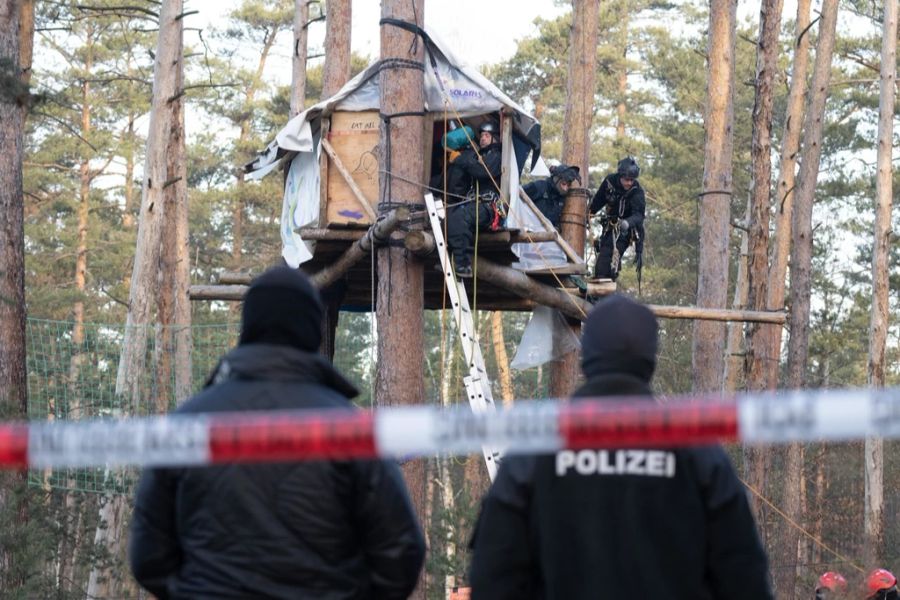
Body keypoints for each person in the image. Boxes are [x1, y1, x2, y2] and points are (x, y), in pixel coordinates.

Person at [129, 266, 426, 599]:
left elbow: (148, 556)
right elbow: (401, 553)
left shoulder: (187, 423)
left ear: (248, 328)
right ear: (313, 330)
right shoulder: (351, 429)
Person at [468, 294, 774, 599]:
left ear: (586, 356)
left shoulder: (535, 448)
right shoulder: (697, 451)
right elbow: (744, 575)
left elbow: (493, 573)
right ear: (650, 358)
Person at [446, 121, 504, 278]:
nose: (483, 139)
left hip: (491, 208)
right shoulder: (478, 156)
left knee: (461, 217)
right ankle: (453, 260)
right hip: (475, 204)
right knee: (451, 216)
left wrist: (459, 160)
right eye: (482, 136)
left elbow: (482, 172)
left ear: (495, 139)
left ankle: (463, 265)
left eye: (487, 136)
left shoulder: (497, 156)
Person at [590, 156, 646, 280]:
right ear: (620, 175)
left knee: (607, 257)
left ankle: (603, 285)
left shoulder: (637, 191)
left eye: (632, 180)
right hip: (609, 228)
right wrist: (589, 213)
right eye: (627, 180)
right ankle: (605, 281)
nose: (629, 183)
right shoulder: (610, 182)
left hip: (625, 231)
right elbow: (598, 201)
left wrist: (627, 222)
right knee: (604, 255)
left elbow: (639, 216)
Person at [522, 163, 581, 230]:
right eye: (563, 184)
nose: (565, 189)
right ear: (556, 179)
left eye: (568, 186)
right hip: (528, 230)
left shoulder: (561, 199)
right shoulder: (540, 186)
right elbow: (518, 194)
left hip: (546, 236)